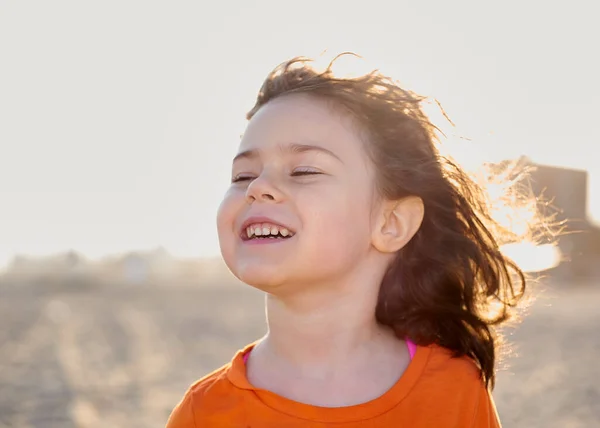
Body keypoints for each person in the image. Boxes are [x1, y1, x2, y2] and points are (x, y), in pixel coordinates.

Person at [166, 53, 539, 427]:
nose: (259, 187)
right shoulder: (205, 412)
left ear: (391, 222)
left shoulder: (454, 389)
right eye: (243, 175)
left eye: (304, 170)